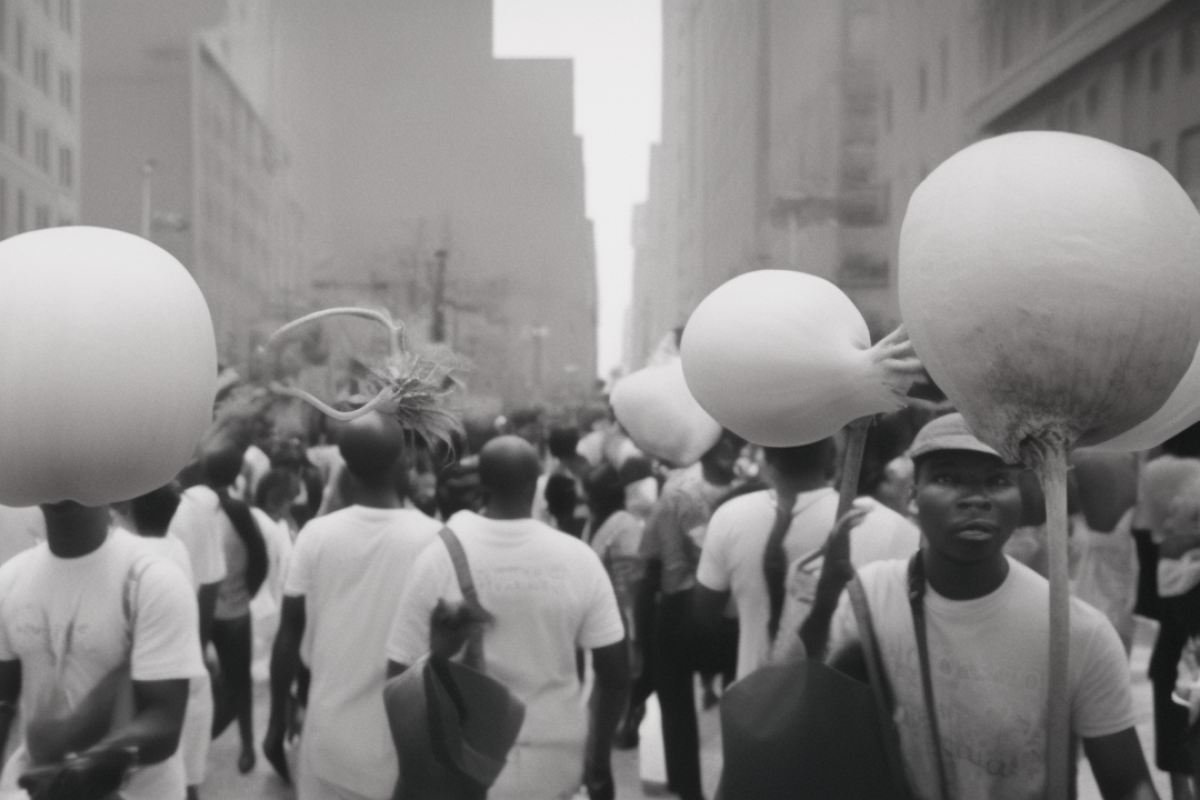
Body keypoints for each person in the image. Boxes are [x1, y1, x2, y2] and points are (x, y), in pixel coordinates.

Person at [824, 412, 1157, 800]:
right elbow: (830, 733)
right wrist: (822, 601)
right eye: (947, 478)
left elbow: (1129, 786)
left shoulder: (1079, 634)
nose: (975, 498)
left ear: (1022, 494)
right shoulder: (872, 595)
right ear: (912, 497)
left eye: (997, 480)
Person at [387, 435, 629, 800]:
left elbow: (399, 671)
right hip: (557, 760)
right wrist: (597, 755)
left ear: (482, 484)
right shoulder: (578, 558)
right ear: (537, 485)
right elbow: (615, 673)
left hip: (471, 764)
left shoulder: (436, 557)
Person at [265, 410, 442, 800]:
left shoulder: (315, 534)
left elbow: (288, 635)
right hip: (402, 757)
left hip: (326, 747)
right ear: (405, 462)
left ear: (346, 466)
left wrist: (276, 721)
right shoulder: (438, 541)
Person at [0, 501, 206, 800]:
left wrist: (78, 774)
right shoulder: (8, 581)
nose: (65, 484)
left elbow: (165, 720)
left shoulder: (151, 577)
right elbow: (3, 699)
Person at [694, 439, 921, 679]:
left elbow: (703, 621)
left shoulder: (730, 516)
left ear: (766, 457)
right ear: (833, 457)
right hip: (850, 703)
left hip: (756, 701)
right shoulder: (893, 528)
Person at [634, 429, 744, 800]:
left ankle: (692, 791)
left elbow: (648, 563)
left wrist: (641, 634)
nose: (731, 448)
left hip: (687, 612)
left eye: (734, 440)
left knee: (682, 710)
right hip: (721, 613)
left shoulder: (675, 491)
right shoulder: (751, 491)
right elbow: (648, 567)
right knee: (733, 703)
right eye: (724, 440)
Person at [118, 484, 215, 800]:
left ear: (128, 508)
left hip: (157, 682)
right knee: (186, 777)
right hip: (189, 678)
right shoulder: (177, 547)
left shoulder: (135, 556)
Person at [202, 444, 269, 776]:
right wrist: (247, 592)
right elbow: (260, 558)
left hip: (216, 610)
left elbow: (259, 558)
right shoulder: (236, 509)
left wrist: (245, 593)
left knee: (225, 679)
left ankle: (237, 742)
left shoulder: (219, 510)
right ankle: (245, 745)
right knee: (238, 681)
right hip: (233, 611)